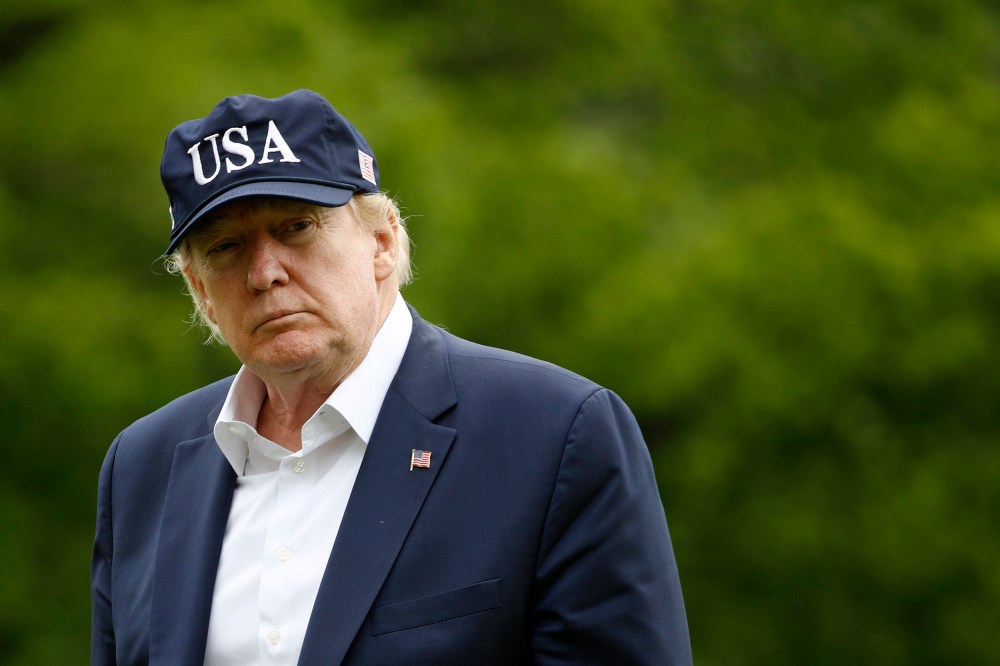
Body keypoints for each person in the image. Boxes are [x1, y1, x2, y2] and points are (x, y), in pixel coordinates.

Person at [91, 89, 692, 665]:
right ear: (199, 289)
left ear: (382, 239)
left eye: (296, 226)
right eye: (226, 246)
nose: (264, 272)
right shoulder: (142, 467)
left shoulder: (554, 435)